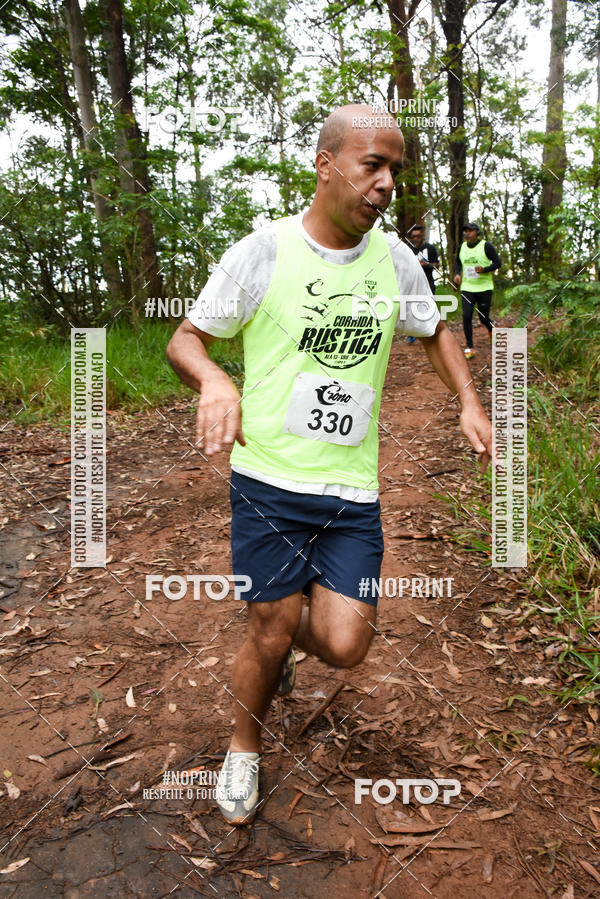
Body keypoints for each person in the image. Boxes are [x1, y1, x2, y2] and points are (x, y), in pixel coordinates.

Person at [166, 104, 492, 827]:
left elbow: (434, 327)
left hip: (351, 491)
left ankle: (276, 607)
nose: (386, 184)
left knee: (345, 642)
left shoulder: (395, 258)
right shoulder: (264, 251)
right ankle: (244, 743)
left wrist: (468, 399)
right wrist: (216, 379)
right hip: (269, 483)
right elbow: (186, 338)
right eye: (372, 164)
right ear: (325, 164)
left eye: (395, 171)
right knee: (272, 626)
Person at [453, 223, 501, 359]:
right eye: (465, 231)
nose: (467, 234)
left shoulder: (486, 246)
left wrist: (484, 269)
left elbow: (498, 263)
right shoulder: (461, 247)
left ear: (477, 233)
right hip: (467, 288)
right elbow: (457, 263)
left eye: (470, 231)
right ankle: (469, 346)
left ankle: (492, 330)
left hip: (484, 288)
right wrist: (457, 274)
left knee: (483, 317)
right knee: (466, 315)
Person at [406, 224, 439, 344]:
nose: (416, 238)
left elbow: (437, 265)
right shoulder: (408, 249)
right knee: (409, 306)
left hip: (428, 282)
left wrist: (427, 265)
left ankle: (429, 332)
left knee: (428, 307)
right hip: (411, 282)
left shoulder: (430, 249)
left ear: (423, 236)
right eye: (414, 236)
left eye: (418, 236)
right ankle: (411, 335)